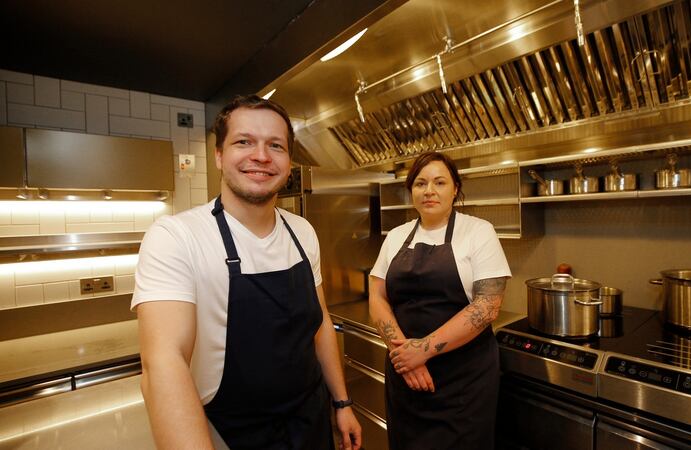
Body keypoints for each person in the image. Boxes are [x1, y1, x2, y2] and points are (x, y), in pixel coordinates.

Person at [132, 94, 361, 450]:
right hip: (233, 434)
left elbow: (319, 325)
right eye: (244, 142)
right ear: (219, 155)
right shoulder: (177, 237)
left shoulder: (302, 232)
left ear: (288, 161)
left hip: (310, 423)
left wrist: (341, 402)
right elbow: (164, 363)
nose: (261, 156)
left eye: (276, 145)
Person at [368, 151, 511, 449]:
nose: (429, 191)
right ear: (411, 191)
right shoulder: (396, 236)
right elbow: (377, 295)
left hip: (463, 380)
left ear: (455, 188)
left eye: (439, 182)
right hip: (405, 373)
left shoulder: (478, 231)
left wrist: (423, 350)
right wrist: (406, 358)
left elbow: (488, 306)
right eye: (420, 183)